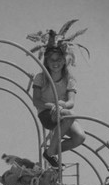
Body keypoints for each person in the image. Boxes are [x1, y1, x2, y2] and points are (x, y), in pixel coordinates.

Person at [27, 21, 89, 168]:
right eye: (52, 60)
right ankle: (50, 154)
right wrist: (53, 106)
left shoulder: (70, 79)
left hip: (63, 113)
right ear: (46, 61)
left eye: (59, 59)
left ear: (64, 60)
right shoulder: (40, 78)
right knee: (69, 115)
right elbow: (36, 101)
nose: (56, 63)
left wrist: (60, 105)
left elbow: (70, 102)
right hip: (47, 114)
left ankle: (51, 151)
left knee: (80, 137)